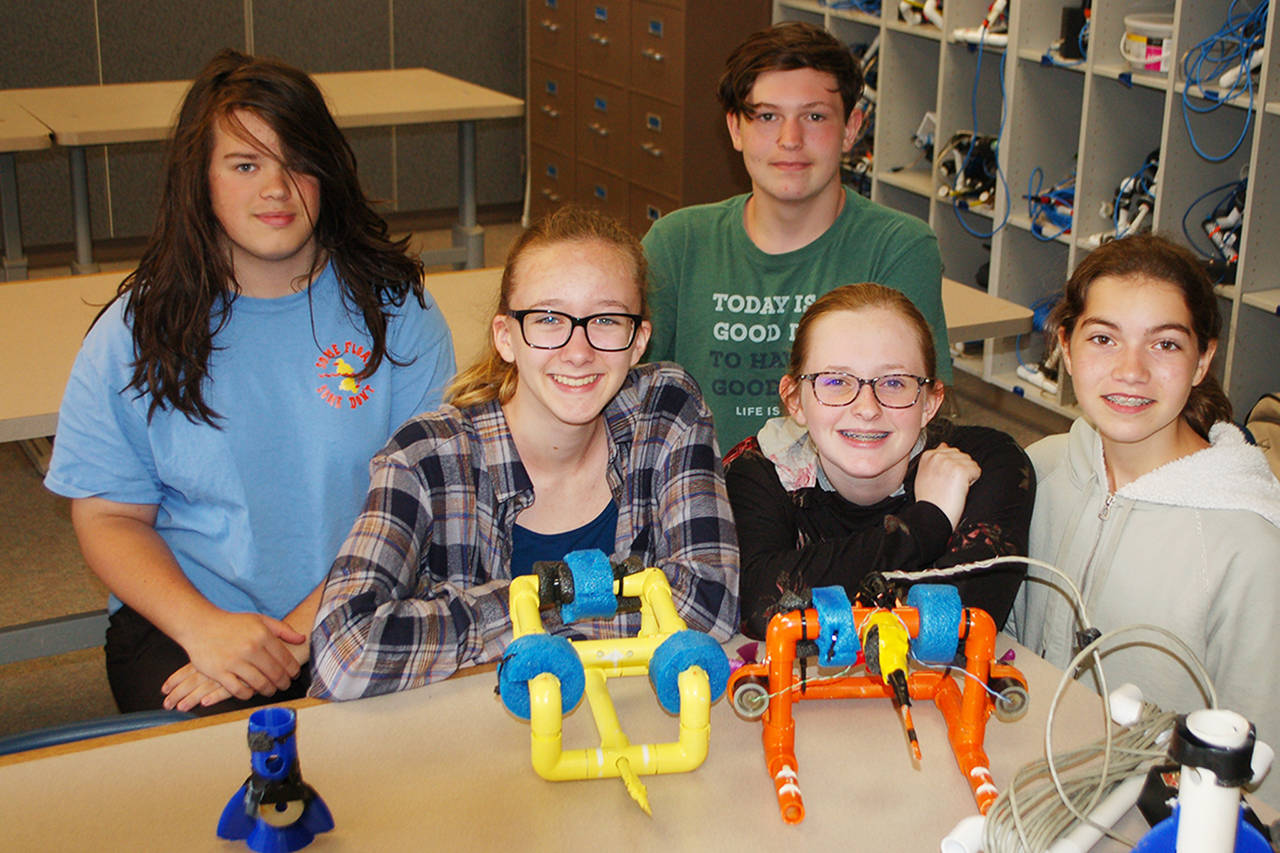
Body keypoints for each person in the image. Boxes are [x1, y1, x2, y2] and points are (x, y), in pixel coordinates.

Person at [44, 49, 456, 715]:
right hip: (190, 619)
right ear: (201, 180)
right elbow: (109, 515)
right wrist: (204, 629)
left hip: (364, 599)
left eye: (298, 163)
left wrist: (293, 638)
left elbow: (424, 504)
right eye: (244, 164)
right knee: (224, 783)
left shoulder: (397, 311)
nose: (277, 188)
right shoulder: (136, 329)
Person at [309, 206, 740, 700]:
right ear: (506, 338)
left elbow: (712, 601)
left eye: (606, 320)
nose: (578, 352)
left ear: (638, 340)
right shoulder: (425, 458)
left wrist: (523, 617)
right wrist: (561, 598)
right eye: (549, 319)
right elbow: (343, 652)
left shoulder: (668, 409)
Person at [1007, 234, 1280, 806]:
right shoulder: (1040, 468)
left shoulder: (1249, 544)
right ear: (1066, 345)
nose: (1130, 370)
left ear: (1203, 359)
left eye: (1165, 345)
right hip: (1019, 788)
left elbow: (1263, 773)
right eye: (1104, 338)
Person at [643, 21, 949, 449]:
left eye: (815, 116)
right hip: (698, 495)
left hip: (837, 501)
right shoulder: (677, 243)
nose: (791, 139)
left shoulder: (898, 247)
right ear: (735, 128)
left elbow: (911, 413)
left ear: (851, 128)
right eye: (767, 116)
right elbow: (630, 398)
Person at [725, 283, 1031, 640]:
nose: (867, 408)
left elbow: (956, 625)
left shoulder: (985, 464)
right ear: (795, 400)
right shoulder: (756, 471)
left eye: (894, 383)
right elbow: (757, 606)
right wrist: (926, 524)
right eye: (836, 381)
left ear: (930, 402)